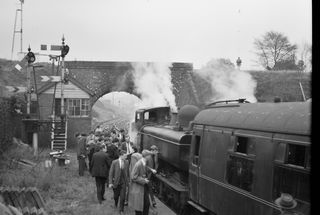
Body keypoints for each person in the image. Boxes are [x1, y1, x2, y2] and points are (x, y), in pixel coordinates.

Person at [129, 149, 153, 215]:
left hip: (144, 188)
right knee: (139, 208)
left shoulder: (144, 163)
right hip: (139, 188)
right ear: (146, 156)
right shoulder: (138, 164)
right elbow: (133, 176)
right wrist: (143, 180)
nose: (150, 158)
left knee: (147, 204)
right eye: (150, 156)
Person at [109, 150, 129, 215]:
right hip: (116, 182)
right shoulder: (114, 162)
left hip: (123, 182)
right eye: (125, 155)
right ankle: (115, 203)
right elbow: (111, 173)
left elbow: (127, 172)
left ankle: (121, 210)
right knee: (116, 196)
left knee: (123, 197)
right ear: (121, 156)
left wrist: (128, 182)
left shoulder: (127, 162)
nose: (126, 157)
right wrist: (110, 182)